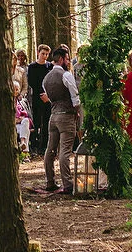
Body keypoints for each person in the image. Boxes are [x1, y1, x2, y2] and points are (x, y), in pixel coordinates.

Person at [42, 46, 82, 194]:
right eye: (67, 59)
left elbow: (48, 97)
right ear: (61, 59)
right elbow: (75, 98)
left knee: (50, 150)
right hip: (66, 116)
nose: (68, 61)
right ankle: (67, 183)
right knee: (65, 151)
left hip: (53, 116)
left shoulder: (46, 78)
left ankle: (50, 181)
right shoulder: (66, 75)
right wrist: (77, 112)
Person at [27, 44, 52, 156]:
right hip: (37, 97)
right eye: (43, 54)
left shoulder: (50, 66)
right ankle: (34, 145)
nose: (45, 56)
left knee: (46, 122)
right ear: (38, 53)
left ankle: (44, 145)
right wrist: (40, 93)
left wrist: (47, 94)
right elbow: (32, 82)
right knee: (36, 121)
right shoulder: (32, 67)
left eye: (47, 54)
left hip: (47, 98)